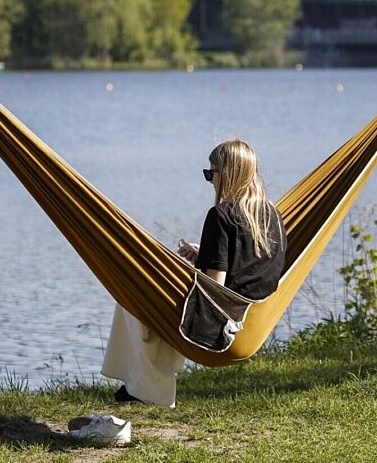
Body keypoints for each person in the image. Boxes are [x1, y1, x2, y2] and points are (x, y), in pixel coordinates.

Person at [101, 139, 287, 407]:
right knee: (152, 299)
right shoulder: (273, 215)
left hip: (221, 330)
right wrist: (207, 255)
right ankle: (144, 385)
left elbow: (215, 289)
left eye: (211, 173)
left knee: (132, 294)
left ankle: (147, 388)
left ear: (229, 173)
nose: (210, 180)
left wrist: (186, 273)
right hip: (253, 326)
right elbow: (253, 267)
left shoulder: (221, 216)